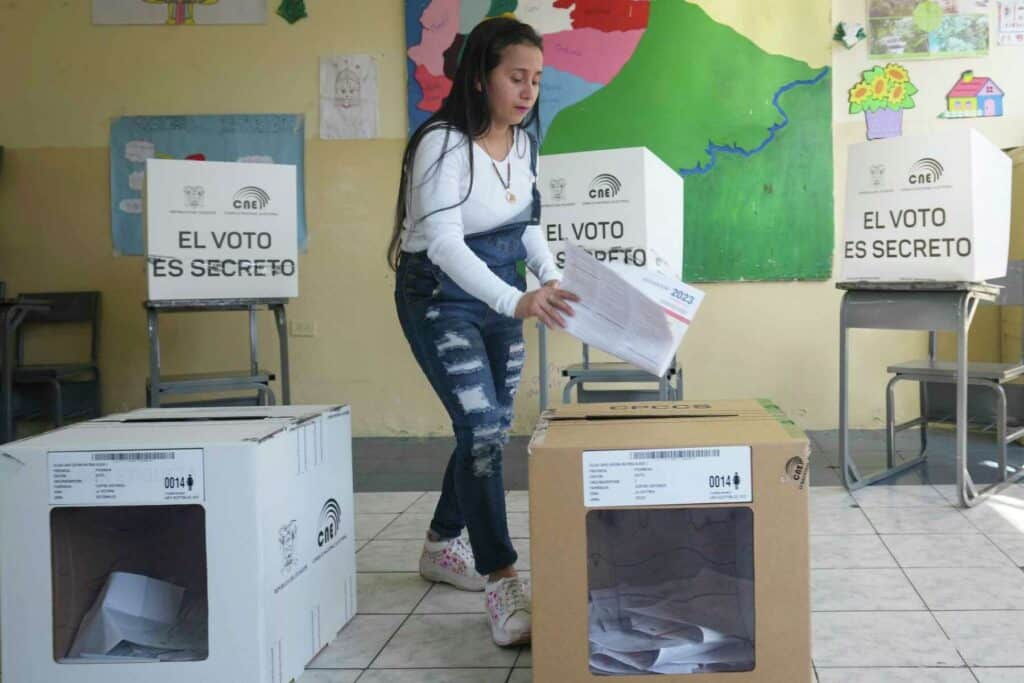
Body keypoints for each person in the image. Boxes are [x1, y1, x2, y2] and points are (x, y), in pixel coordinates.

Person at [387, 17, 578, 647]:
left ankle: (442, 543)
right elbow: (442, 242)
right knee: (482, 428)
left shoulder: (523, 142)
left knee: (487, 424)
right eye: (515, 78)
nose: (528, 92)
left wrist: (554, 279)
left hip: (503, 293)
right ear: (479, 77)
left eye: (536, 80)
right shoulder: (440, 144)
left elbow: (524, 225)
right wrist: (515, 298)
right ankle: (501, 577)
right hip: (441, 297)